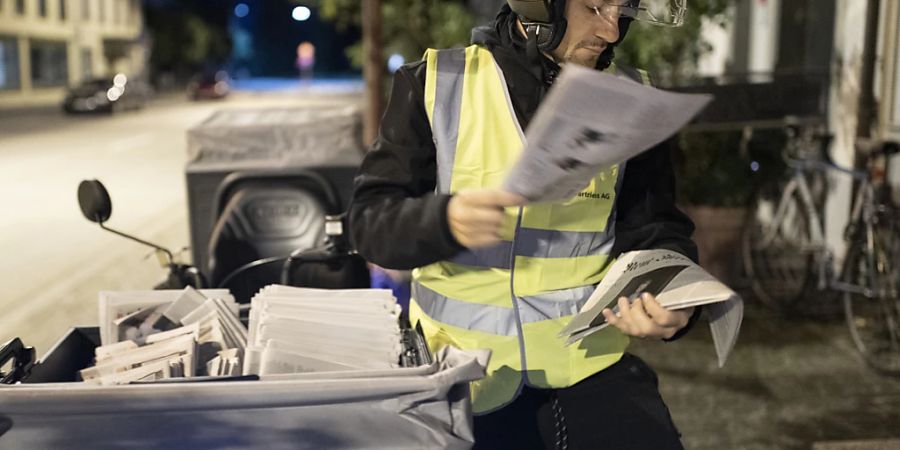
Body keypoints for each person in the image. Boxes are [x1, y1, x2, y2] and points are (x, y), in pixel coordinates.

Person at [349, 0, 699, 448]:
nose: (611, 31)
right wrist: (442, 220)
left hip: (589, 369)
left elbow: (657, 228)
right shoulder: (436, 83)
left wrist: (672, 296)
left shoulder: (631, 97)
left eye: (622, 12)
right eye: (595, 7)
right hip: (463, 375)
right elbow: (369, 223)